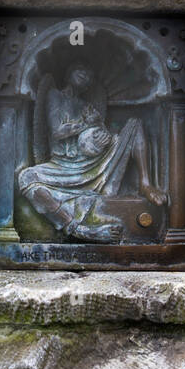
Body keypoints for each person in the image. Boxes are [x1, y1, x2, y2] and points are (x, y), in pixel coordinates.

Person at [18, 61, 166, 244]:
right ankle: (78, 229)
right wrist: (86, 124)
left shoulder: (86, 105)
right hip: (62, 167)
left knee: (134, 126)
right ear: (68, 73)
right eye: (81, 69)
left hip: (93, 165)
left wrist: (102, 136)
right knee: (26, 177)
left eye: (89, 75)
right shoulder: (54, 95)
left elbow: (99, 134)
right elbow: (57, 131)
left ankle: (145, 183)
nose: (85, 75)